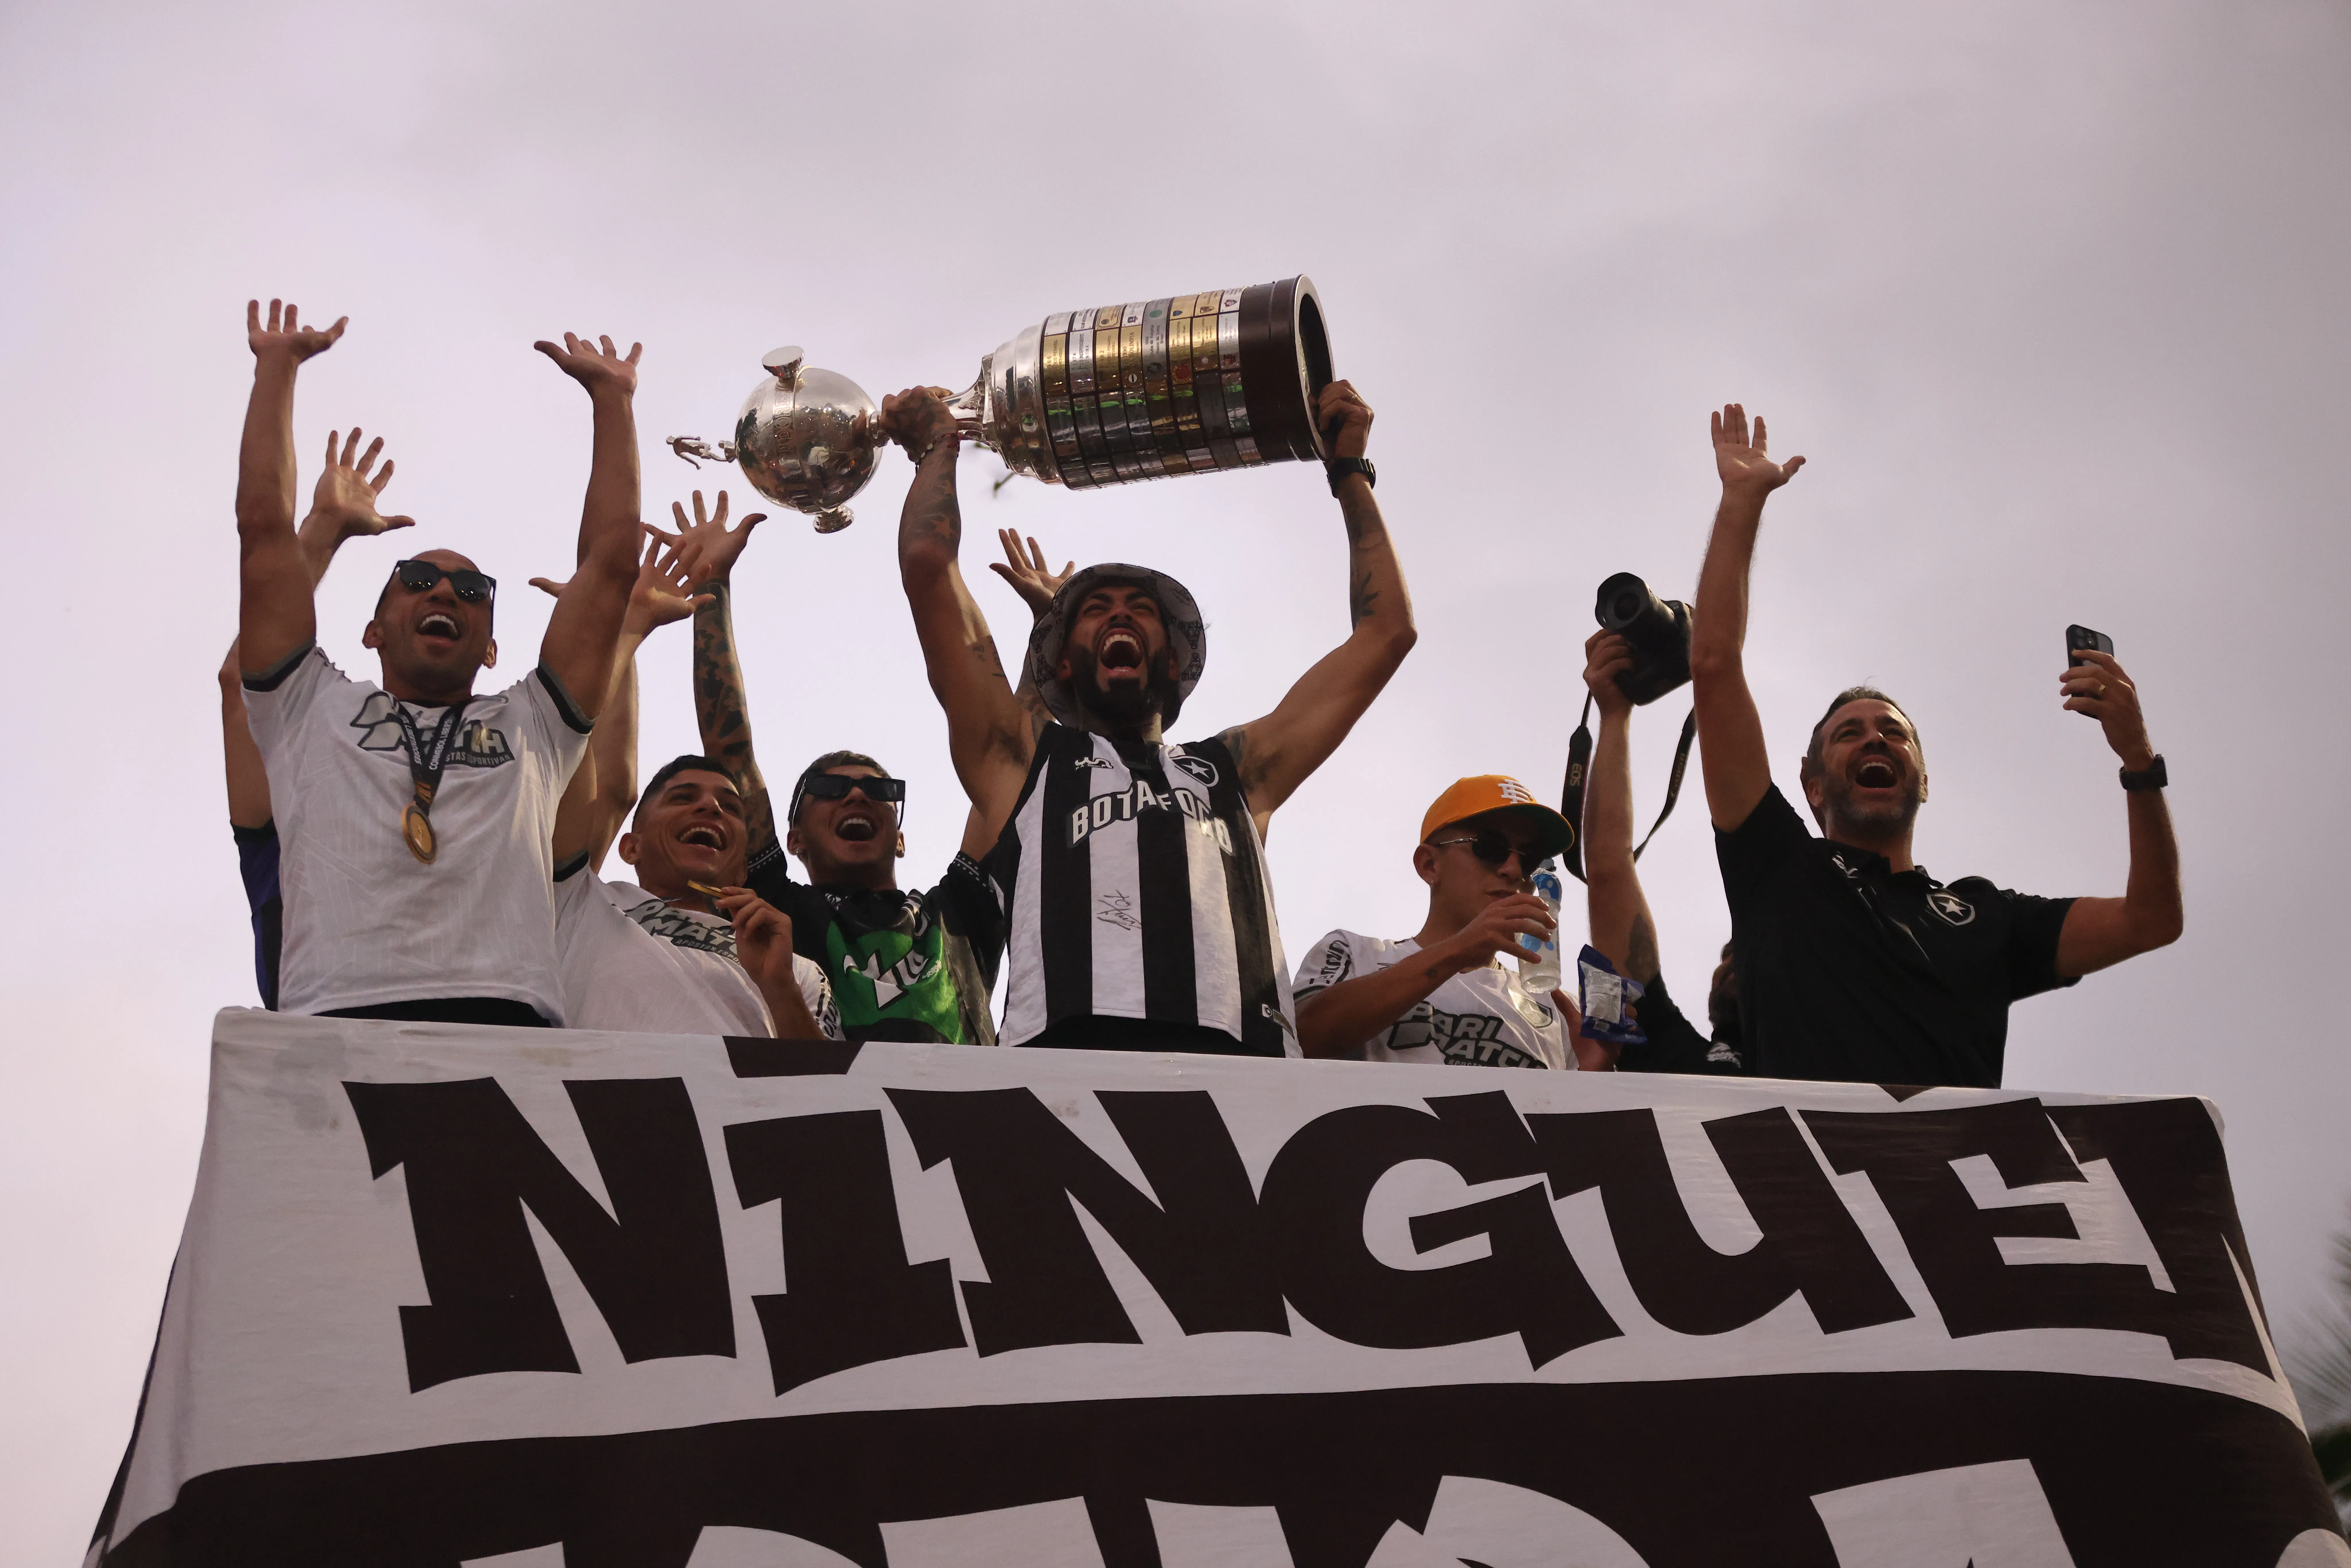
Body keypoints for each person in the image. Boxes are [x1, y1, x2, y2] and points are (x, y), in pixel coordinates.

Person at [878, 377, 1418, 1056]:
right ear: (1065, 663)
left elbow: (1386, 633)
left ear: (1172, 660)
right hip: (1065, 1074)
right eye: (1097, 609)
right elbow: (930, 566)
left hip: (1245, 1074)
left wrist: (1349, 471)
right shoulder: (1023, 758)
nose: (1121, 614)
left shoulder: (1235, 770)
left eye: (1141, 608)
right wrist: (939, 447)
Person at [1688, 403, 2183, 1087]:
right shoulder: (1776, 866)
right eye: (1849, 733)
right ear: (1810, 783)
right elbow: (1713, 662)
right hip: (1807, 1188)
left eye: (1894, 731)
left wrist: (2138, 765)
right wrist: (1742, 502)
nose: (1876, 739)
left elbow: (2151, 919)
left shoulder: (1989, 917)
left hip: (1945, 1192)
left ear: (1923, 778)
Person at [233, 300, 645, 1026]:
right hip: (335, 1013)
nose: (447, 591)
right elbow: (264, 532)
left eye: (474, 590)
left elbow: (610, 568)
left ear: (491, 645)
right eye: (418, 580)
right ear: (373, 630)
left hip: (507, 1021)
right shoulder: (304, 705)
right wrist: (277, 370)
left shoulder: (536, 724)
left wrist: (612, 401)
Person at [670, 490, 1007, 1045]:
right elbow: (733, 758)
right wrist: (711, 585)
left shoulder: (958, 914)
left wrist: (1051, 649)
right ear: (794, 838)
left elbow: (1006, 762)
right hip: (833, 1123)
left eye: (878, 789)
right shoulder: (778, 906)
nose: (858, 797)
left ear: (900, 837)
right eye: (831, 788)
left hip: (964, 1125)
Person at [532, 528, 838, 1039]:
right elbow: (610, 783)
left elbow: (832, 1103)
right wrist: (621, 626)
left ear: (743, 863)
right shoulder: (582, 903)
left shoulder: (796, 966)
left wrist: (778, 985)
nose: (710, 810)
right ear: (629, 845)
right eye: (682, 798)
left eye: (729, 806)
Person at [218, 427, 415, 1008]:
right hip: (324, 1062)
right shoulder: (286, 823)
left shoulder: (485, 813)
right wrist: (322, 531)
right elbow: (243, 687)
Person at [1292, 777, 1584, 1069]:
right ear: (1430, 865)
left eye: (1530, 858)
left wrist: (1595, 1071)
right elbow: (1299, 1040)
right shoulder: (1355, 952)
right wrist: (1460, 948)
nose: (1513, 870)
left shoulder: (1561, 1011)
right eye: (1491, 847)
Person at [1576, 628, 1744, 1074]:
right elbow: (1610, 868)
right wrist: (1615, 715)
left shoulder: (1844, 1052)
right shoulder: (1678, 1059)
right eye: (1728, 956)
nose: (1732, 965)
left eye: (1749, 954)